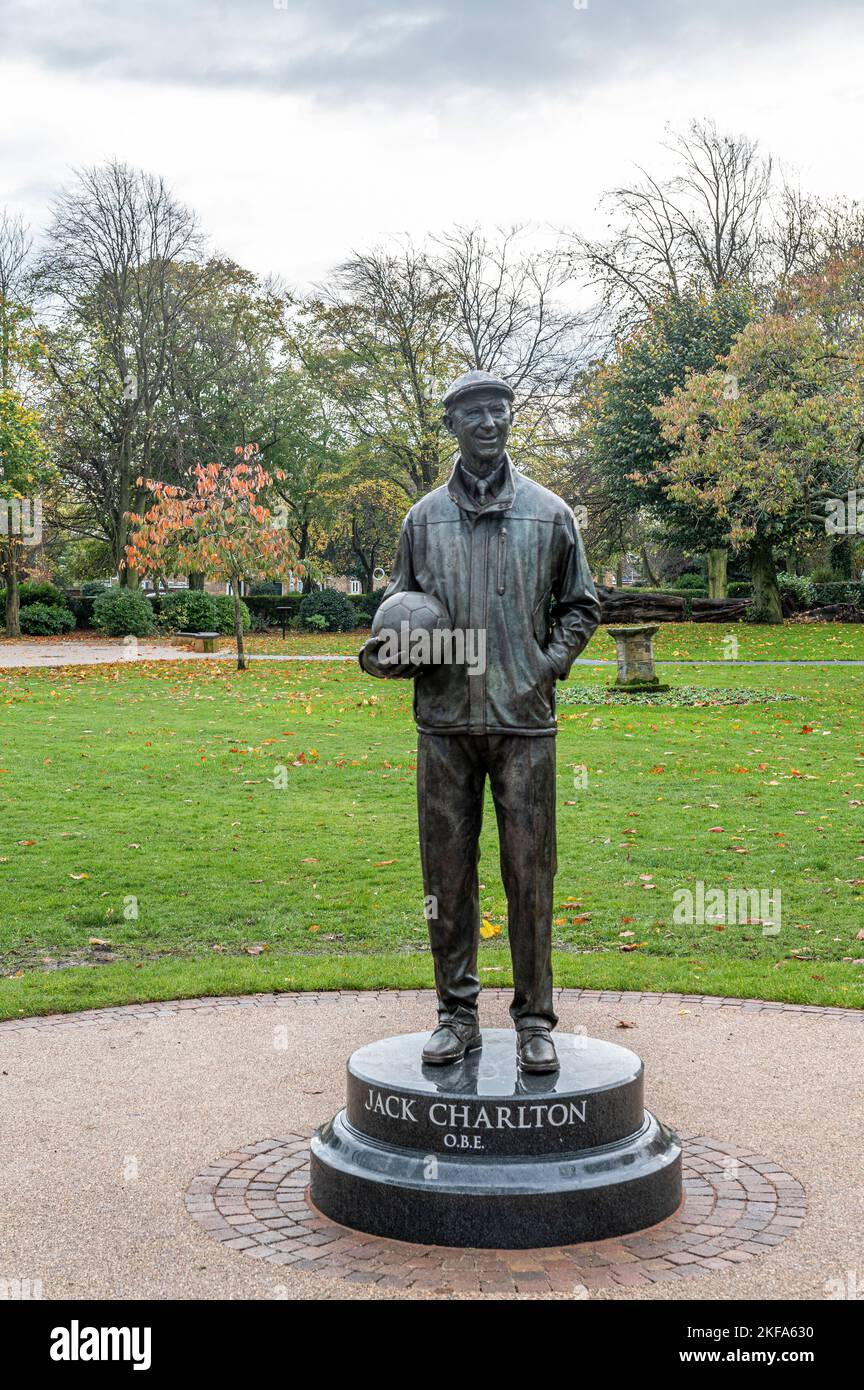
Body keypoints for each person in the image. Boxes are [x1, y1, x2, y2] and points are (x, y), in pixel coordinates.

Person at [359, 369, 601, 1072]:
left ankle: (534, 1020)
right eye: (474, 414)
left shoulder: (550, 512)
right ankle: (455, 1014)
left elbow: (581, 605)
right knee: (446, 878)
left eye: (499, 411)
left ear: (510, 420)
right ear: (453, 427)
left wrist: (545, 664)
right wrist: (389, 653)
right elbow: (402, 607)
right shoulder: (421, 518)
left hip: (524, 723)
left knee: (531, 874)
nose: (489, 423)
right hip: (444, 723)